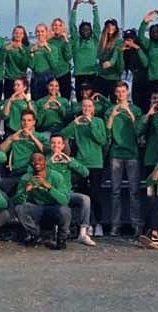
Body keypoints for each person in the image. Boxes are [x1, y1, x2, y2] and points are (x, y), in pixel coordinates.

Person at [13, 153, 73, 249]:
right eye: (33, 160)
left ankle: (62, 239)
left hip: (53, 208)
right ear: (30, 163)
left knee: (65, 210)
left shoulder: (56, 176)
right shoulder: (26, 178)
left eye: (40, 159)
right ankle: (36, 235)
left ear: (45, 161)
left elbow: (65, 200)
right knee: (20, 208)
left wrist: (49, 188)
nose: (36, 162)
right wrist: (25, 190)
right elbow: (16, 201)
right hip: (36, 208)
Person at [106, 82, 143, 236]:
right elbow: (107, 133)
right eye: (118, 91)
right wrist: (112, 116)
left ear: (127, 92)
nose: (121, 94)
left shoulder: (136, 109)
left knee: (134, 191)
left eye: (123, 91)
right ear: (115, 93)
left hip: (132, 154)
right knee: (115, 192)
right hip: (116, 154)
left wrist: (131, 115)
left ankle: (136, 225)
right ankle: (115, 225)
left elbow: (139, 132)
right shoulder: (109, 110)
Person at [65, 99, 106, 238]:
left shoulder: (98, 121)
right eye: (84, 106)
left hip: (96, 163)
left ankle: (98, 223)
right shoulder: (77, 122)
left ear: (93, 108)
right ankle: (86, 224)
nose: (86, 108)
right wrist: (74, 123)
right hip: (81, 163)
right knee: (84, 195)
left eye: (89, 106)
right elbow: (63, 135)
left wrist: (91, 123)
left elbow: (101, 140)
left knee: (95, 193)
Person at [46, 134, 97, 246]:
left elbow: (85, 172)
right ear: (50, 145)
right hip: (51, 194)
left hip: (67, 193)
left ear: (63, 145)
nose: (56, 145)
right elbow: (40, 171)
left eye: (59, 143)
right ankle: (55, 233)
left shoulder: (68, 159)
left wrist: (69, 161)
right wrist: (50, 161)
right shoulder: (45, 160)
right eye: (53, 143)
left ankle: (83, 233)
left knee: (85, 199)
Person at [70, 0, 103, 94]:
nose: (85, 32)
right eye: (83, 30)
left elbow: (97, 25)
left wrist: (94, 6)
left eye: (88, 30)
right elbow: (72, 25)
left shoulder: (95, 41)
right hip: (79, 75)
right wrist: (75, 6)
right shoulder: (76, 41)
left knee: (93, 101)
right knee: (81, 103)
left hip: (93, 75)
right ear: (79, 31)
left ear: (91, 31)